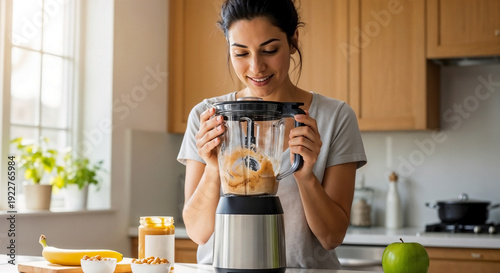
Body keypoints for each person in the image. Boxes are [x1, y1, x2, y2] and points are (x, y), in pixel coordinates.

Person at [177, 0, 367, 269]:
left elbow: (331, 237)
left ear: (293, 41)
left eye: (269, 50)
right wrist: (212, 168)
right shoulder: (206, 116)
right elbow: (197, 232)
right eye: (241, 53)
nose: (256, 67)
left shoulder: (335, 117)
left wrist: (305, 175)